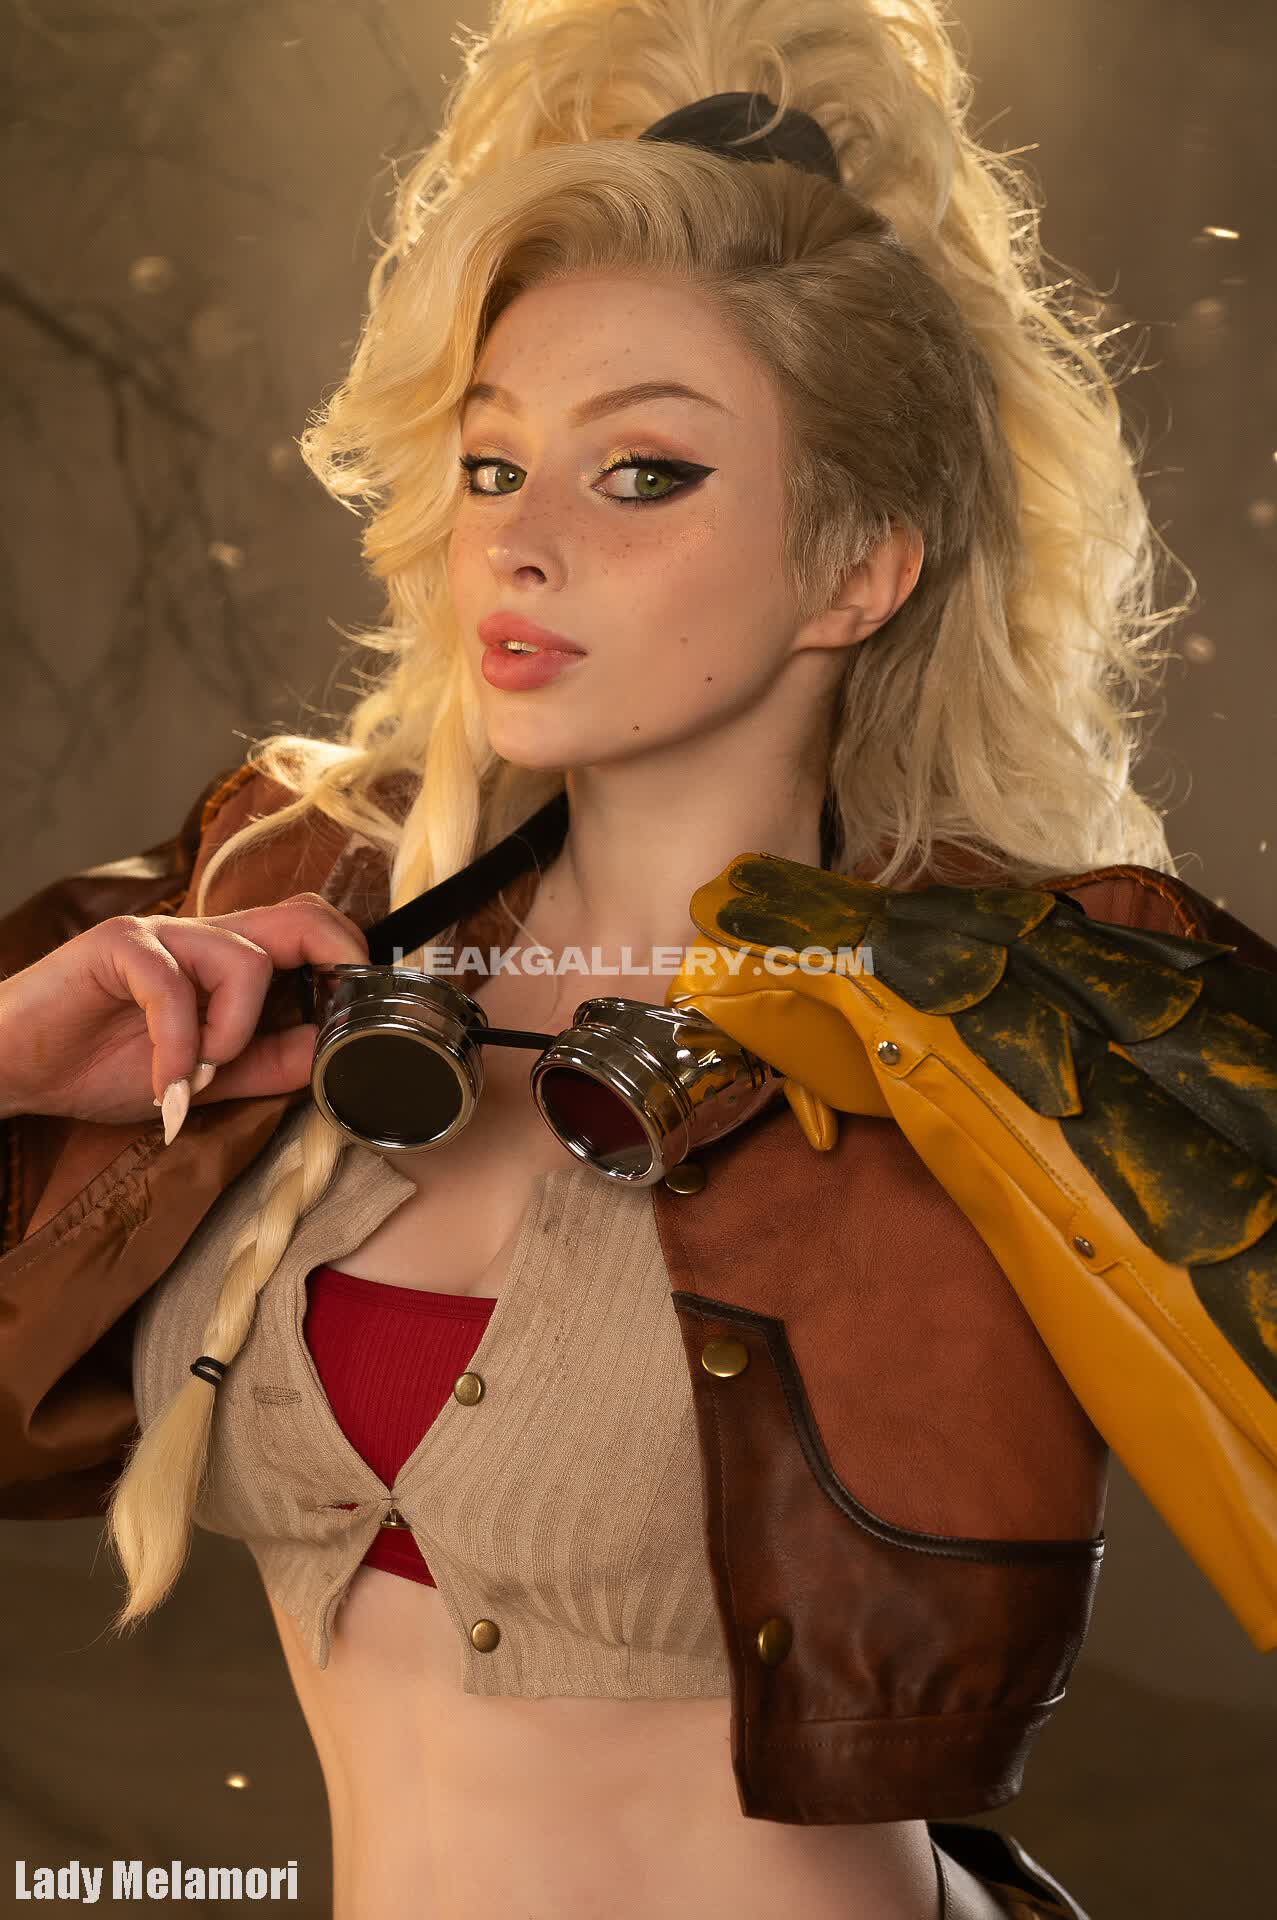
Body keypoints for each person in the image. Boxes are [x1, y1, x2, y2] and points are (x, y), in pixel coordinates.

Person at [3, 3, 1272, 1916]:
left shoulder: (1026, 1012)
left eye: (645, 473)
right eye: (492, 466)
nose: (519, 546)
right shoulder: (284, 901)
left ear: (858, 568)